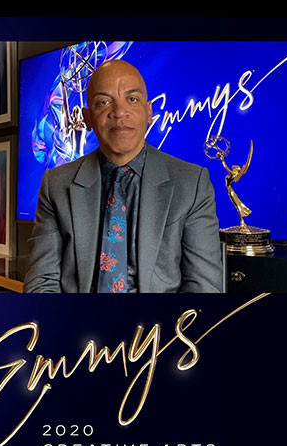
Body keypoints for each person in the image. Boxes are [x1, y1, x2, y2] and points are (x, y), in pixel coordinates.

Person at [23, 60, 223, 293]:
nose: (119, 112)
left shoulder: (192, 183)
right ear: (87, 118)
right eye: (104, 102)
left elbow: (204, 288)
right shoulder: (56, 185)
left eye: (132, 99)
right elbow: (41, 283)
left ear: (149, 112)